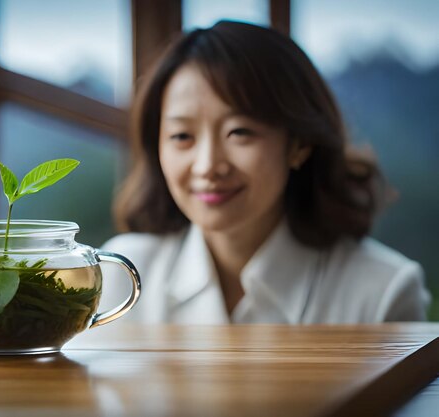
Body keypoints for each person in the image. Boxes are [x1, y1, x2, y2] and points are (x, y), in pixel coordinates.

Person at [100, 20, 430, 324]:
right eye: (182, 136)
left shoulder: (384, 292)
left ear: (299, 144)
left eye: (239, 132)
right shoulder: (122, 275)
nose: (208, 166)